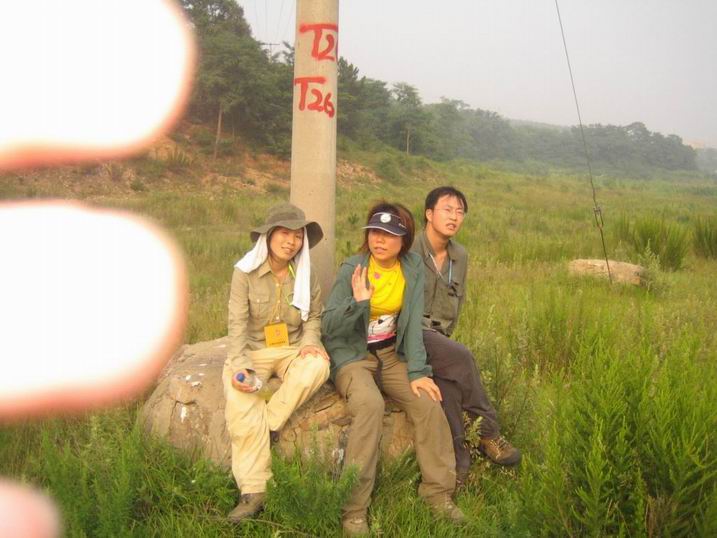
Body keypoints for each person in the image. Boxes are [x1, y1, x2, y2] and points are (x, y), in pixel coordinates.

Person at [322, 202, 464, 536]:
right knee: (370, 405)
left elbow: (413, 324)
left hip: (390, 353)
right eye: (375, 232)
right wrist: (358, 303)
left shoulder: (412, 267)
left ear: (404, 240)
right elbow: (328, 325)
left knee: (428, 402)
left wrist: (418, 371)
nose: (379, 240)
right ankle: (354, 510)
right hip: (353, 355)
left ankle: (438, 493)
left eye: (389, 234)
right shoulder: (354, 267)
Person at [223, 202, 331, 522]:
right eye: (284, 233)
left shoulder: (306, 274)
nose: (291, 241)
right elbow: (236, 325)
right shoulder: (244, 273)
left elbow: (313, 318)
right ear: (268, 236)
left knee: (318, 366)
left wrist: (310, 344)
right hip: (254, 350)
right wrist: (241, 365)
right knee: (240, 398)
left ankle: (268, 422)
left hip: (291, 349)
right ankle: (254, 491)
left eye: (298, 236)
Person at [411, 186, 521, 486]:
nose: (454, 217)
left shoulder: (460, 256)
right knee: (462, 356)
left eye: (460, 212)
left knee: (448, 392)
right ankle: (489, 433)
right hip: (409, 333)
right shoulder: (409, 249)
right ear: (429, 213)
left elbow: (456, 304)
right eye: (447, 209)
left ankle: (458, 468)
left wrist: (443, 343)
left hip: (438, 339)